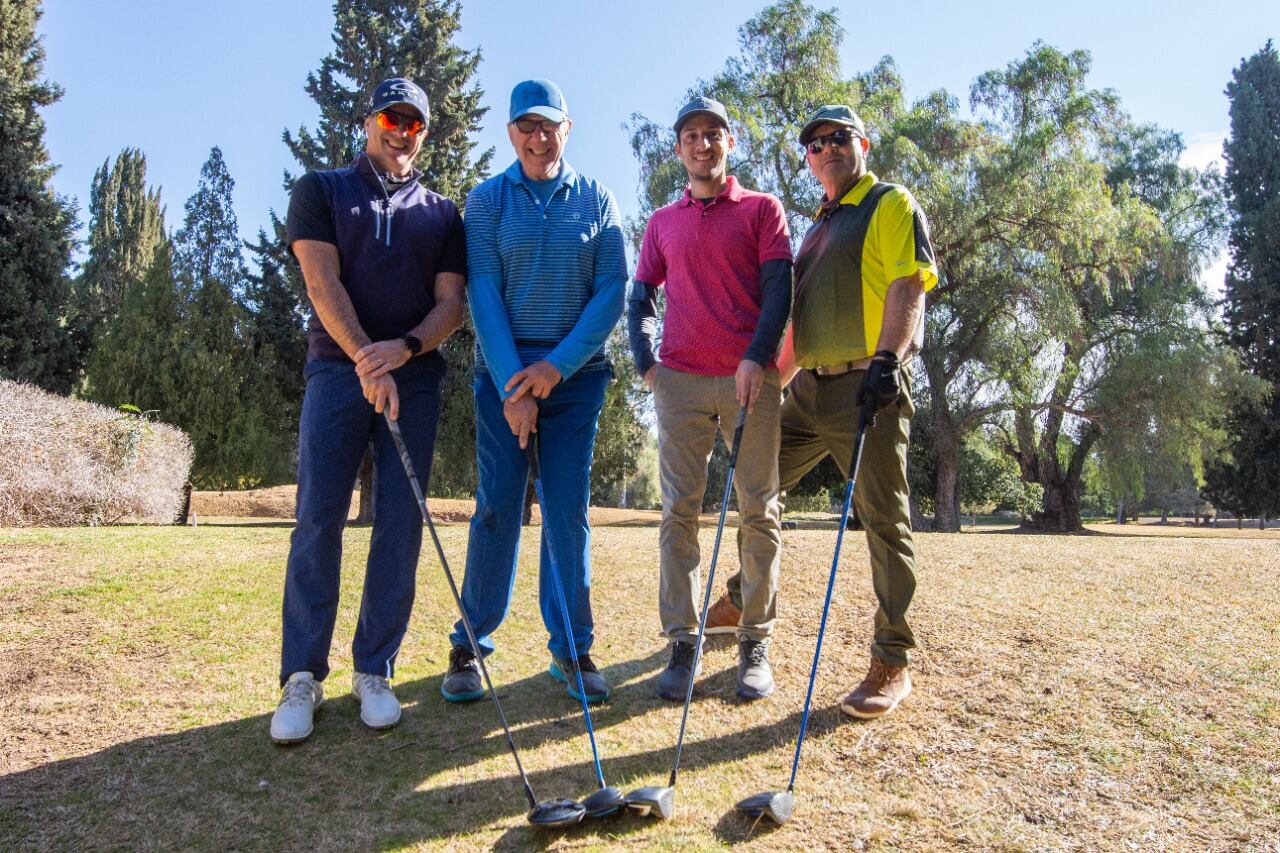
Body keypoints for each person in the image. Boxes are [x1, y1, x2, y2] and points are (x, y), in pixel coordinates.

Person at [707, 105, 937, 719]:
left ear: (862, 143)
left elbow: (908, 284)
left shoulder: (888, 203)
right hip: (806, 391)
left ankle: (893, 659)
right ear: (807, 159)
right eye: (814, 143)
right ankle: (743, 600)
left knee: (884, 521)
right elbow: (799, 329)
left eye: (838, 138)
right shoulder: (815, 229)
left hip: (868, 386)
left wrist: (889, 361)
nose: (826, 148)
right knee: (757, 485)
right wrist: (768, 388)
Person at [270, 77, 467, 744]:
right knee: (318, 516)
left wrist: (403, 351)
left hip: (413, 378)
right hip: (336, 370)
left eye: (414, 121)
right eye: (391, 116)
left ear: (424, 133)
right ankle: (302, 675)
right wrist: (364, 357)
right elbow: (321, 283)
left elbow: (450, 305)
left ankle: (374, 669)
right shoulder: (321, 190)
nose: (401, 129)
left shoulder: (443, 213)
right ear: (368, 120)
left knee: (399, 524)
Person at [440, 79, 626, 705]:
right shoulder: (487, 201)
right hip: (502, 380)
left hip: (575, 384)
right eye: (526, 126)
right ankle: (470, 645)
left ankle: (571, 650)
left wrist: (555, 370)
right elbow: (483, 293)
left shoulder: (598, 199)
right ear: (511, 131)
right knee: (495, 509)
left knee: (567, 513)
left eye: (550, 126)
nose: (538, 136)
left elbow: (611, 293)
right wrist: (514, 385)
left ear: (567, 129)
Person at [628, 97, 792, 701]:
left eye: (714, 134)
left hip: (751, 380)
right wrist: (649, 367)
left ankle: (755, 640)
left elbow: (780, 291)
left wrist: (757, 355)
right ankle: (682, 641)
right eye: (692, 135)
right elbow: (640, 298)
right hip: (681, 384)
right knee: (679, 512)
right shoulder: (661, 223)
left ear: (730, 143)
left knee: (759, 510)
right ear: (680, 149)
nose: (703, 144)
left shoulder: (762, 210)